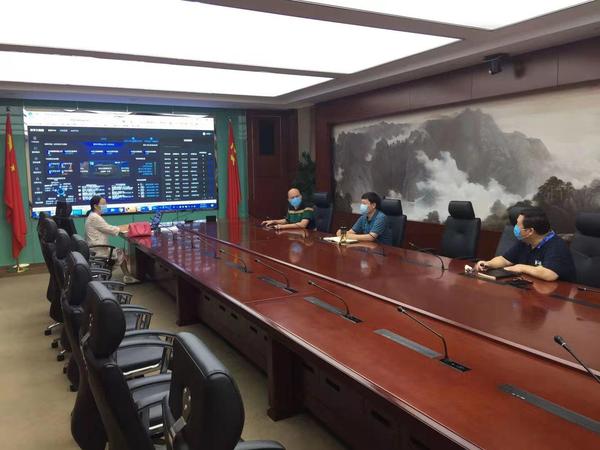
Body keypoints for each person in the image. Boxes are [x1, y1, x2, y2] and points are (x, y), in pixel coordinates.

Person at [475, 207, 575, 282]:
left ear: (530, 231)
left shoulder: (556, 245)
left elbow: (549, 274)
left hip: (555, 296)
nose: (515, 227)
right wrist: (488, 264)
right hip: (529, 289)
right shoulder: (526, 242)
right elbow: (505, 260)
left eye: (518, 225)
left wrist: (521, 267)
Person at [84, 195, 139, 284]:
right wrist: (128, 227)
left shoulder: (93, 216)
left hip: (95, 248)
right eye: (103, 204)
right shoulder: (95, 217)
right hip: (98, 250)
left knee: (120, 251)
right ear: (95, 206)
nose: (105, 205)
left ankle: (126, 276)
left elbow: (108, 227)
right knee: (120, 252)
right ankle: (126, 276)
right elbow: (110, 229)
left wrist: (123, 227)